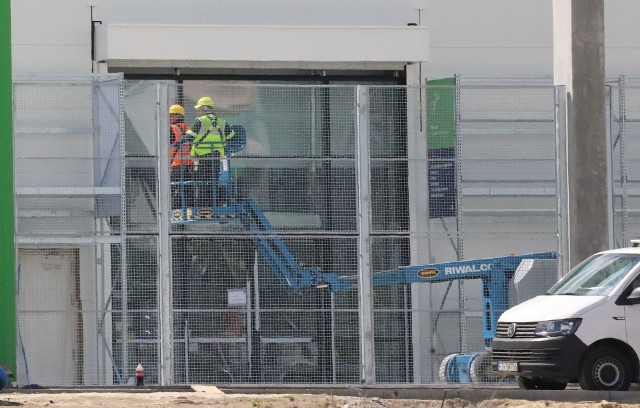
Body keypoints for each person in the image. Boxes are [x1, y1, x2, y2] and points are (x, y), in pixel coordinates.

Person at [184, 96, 235, 207]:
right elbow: (231, 136)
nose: (198, 112)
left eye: (199, 109)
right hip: (216, 156)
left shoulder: (201, 121)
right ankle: (214, 203)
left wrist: (180, 142)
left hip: (202, 156)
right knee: (213, 179)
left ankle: (202, 204)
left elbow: (189, 136)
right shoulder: (222, 122)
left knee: (201, 180)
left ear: (204, 108)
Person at [168, 104, 193, 211]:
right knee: (186, 189)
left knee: (174, 189)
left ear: (180, 116)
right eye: (171, 115)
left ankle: (175, 212)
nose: (171, 118)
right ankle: (186, 210)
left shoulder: (171, 128)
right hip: (189, 165)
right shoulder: (189, 129)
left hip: (177, 164)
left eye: (174, 115)